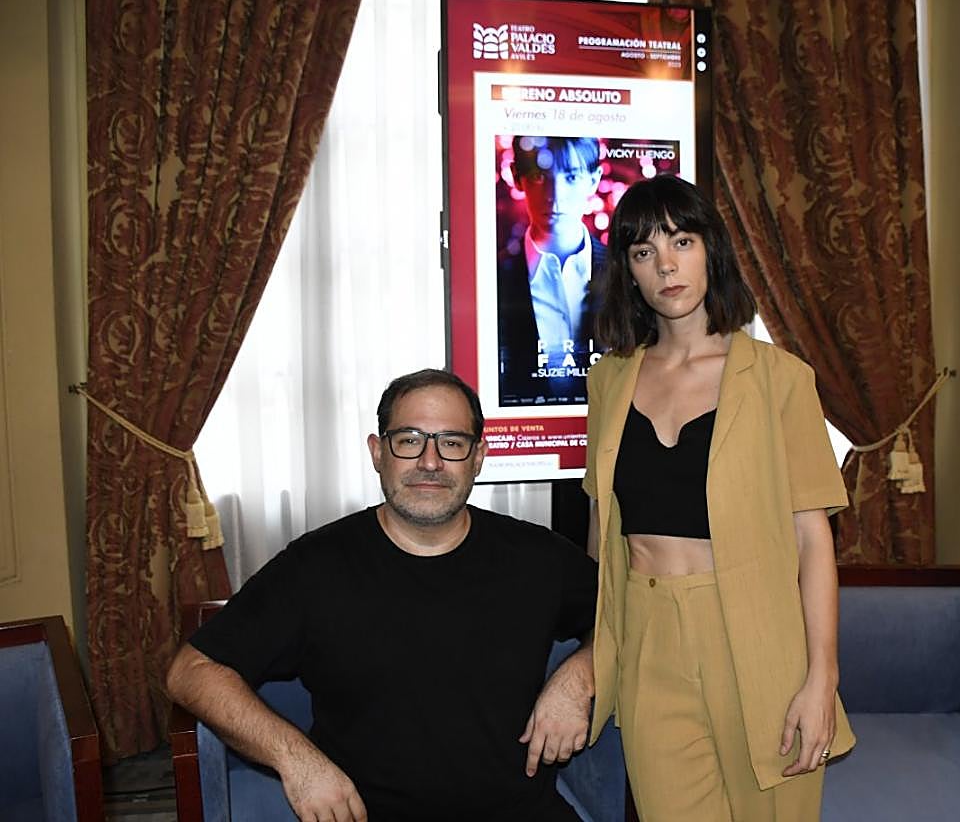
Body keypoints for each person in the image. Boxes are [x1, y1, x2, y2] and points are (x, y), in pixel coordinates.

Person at [166, 369, 598, 822]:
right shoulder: (315, 567)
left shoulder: (538, 557)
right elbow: (191, 671)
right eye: (409, 440)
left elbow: (627, 620)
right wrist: (297, 759)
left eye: (451, 442)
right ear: (378, 452)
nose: (430, 462)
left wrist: (581, 674)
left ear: (478, 456)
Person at [582, 174, 855, 820]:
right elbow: (602, 537)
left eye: (682, 241)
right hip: (649, 645)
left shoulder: (780, 380)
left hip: (759, 642)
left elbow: (813, 540)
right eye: (644, 252)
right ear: (629, 271)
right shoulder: (607, 382)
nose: (666, 265)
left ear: (713, 251)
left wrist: (823, 678)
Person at [496, 135, 606, 406]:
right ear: (517, 177)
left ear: (594, 180)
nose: (554, 196)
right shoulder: (494, 279)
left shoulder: (629, 274)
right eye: (538, 176)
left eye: (570, 177)